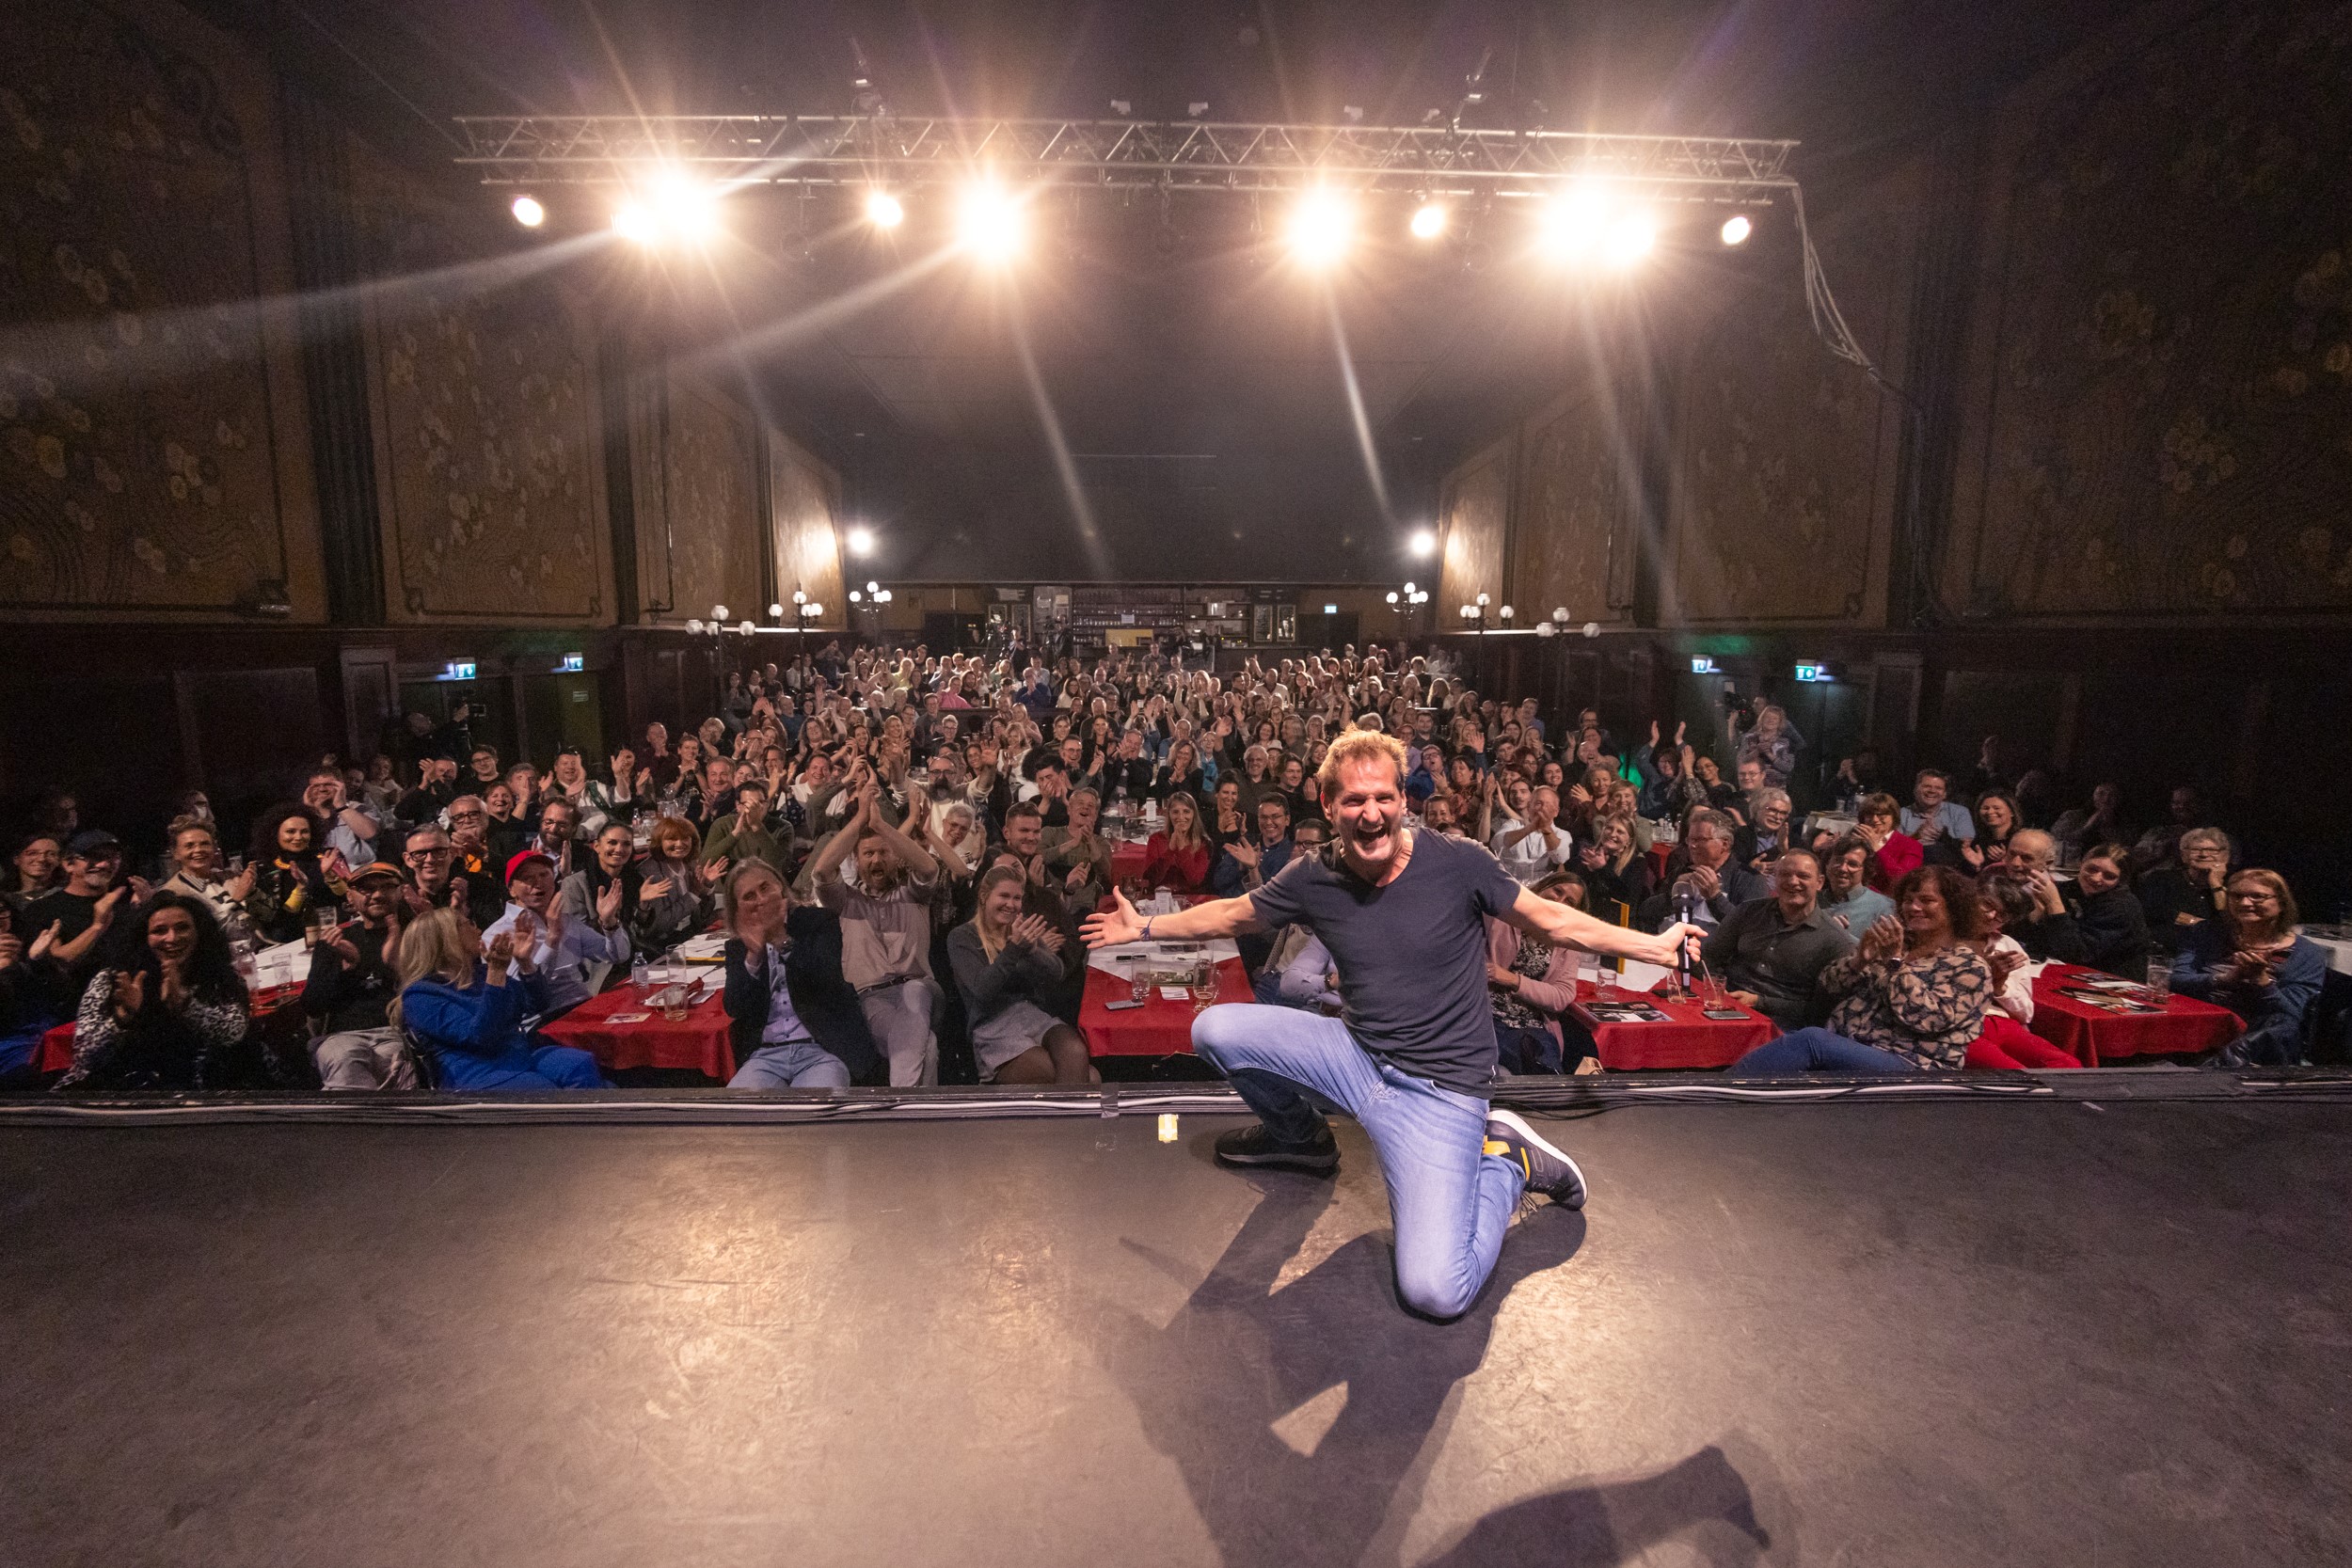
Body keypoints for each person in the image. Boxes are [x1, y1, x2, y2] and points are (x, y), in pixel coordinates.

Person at [1081, 729, 1703, 1321]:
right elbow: (1236, 914)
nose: (1371, 813)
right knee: (1215, 1030)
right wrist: (1144, 928)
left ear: (1404, 801)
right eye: (1355, 800)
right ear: (1330, 806)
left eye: (1384, 797)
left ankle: (1508, 1162)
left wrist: (1653, 946)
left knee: (1436, 1291)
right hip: (1355, 1058)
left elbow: (1553, 920)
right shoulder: (1315, 873)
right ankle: (1300, 1140)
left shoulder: (1459, 862)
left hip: (1439, 1092)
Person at [1728, 866, 1994, 1076]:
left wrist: (1894, 963)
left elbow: (1925, 1019)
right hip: (1850, 1045)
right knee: (1772, 1036)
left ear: (1954, 907)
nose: (1913, 907)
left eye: (1927, 901)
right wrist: (1859, 961)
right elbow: (1828, 985)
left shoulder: (1969, 966)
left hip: (1912, 1064)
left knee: (1811, 1041)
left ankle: (1718, 1092)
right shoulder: (1896, 946)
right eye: (1908, 900)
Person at [810, 781, 944, 1087]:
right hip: (872, 999)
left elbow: (928, 870)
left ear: (895, 856)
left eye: (884, 852)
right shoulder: (845, 901)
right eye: (868, 854)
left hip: (922, 989)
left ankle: (899, 1102)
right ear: (856, 861)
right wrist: (860, 820)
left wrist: (881, 826)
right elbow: (821, 872)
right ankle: (914, 1108)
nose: (876, 860)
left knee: (914, 992)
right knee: (929, 1046)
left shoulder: (914, 893)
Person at [389, 908, 607, 1090]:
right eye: (468, 924)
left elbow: (537, 1004)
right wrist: (496, 973)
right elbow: (481, 1037)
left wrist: (525, 963)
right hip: (477, 1073)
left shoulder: (480, 974)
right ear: (447, 938)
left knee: (580, 1064)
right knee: (543, 1089)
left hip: (518, 1057)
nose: (478, 929)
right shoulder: (421, 996)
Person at [57, 893, 254, 1091]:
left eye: (182, 928)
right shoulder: (112, 980)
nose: (172, 938)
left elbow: (233, 1034)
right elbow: (85, 1058)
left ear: (200, 932)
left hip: (200, 1091)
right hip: (118, 1093)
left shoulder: (220, 977)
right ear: (143, 937)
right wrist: (121, 1019)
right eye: (159, 931)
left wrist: (186, 1005)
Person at [719, 860, 884, 1089]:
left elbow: (827, 979)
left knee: (814, 1108)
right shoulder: (738, 946)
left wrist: (781, 939)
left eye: (765, 888)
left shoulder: (818, 921)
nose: (761, 900)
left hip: (823, 1049)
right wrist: (754, 957)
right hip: (765, 1055)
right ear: (737, 908)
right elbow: (734, 1007)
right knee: (738, 1108)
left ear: (780, 886)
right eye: (749, 896)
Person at [948, 865, 1099, 1085]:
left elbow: (1057, 972)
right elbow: (982, 991)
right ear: (984, 896)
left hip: (1033, 1017)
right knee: (1089, 1078)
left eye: (1017, 898)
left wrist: (1033, 950)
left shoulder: (1021, 931)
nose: (1011, 904)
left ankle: (1065, 1109)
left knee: (1075, 1051)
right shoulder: (962, 937)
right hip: (993, 1026)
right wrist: (1014, 949)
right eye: (1004, 896)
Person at [2172, 869, 2328, 1069]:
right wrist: (2224, 979)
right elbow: (2175, 981)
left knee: (2282, 1025)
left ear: (2281, 902)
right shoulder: (2206, 932)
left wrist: (2262, 982)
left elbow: (2293, 1015)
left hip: (2258, 1039)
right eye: (2237, 896)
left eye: (2257, 896)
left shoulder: (2306, 953)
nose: (2245, 903)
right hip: (2201, 1023)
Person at [1697, 847, 1856, 1031]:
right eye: (1785, 874)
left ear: (1819, 882)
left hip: (1782, 1027)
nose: (1793, 881)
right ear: (1774, 879)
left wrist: (1760, 1001)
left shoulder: (1836, 941)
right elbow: (1709, 957)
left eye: (1803, 876)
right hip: (1724, 1006)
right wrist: (1714, 986)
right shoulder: (1748, 912)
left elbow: (1819, 1011)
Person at [302, 862, 419, 1089]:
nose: (377, 895)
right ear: (350, 897)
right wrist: (346, 970)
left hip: (397, 1033)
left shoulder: (416, 933)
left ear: (400, 892)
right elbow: (313, 1007)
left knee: (394, 1063)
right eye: (366, 889)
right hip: (343, 1036)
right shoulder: (336, 940)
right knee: (344, 1060)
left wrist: (397, 966)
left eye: (386, 887)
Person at [484, 851, 629, 1020]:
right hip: (542, 1019)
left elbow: (618, 956)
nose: (538, 883)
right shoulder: (498, 933)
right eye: (527, 878)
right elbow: (526, 995)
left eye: (544, 875)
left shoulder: (565, 920)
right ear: (511, 890)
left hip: (583, 1005)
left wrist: (609, 922)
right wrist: (551, 941)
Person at [1483, 870, 1591, 1074]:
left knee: (1548, 1076)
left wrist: (1513, 980)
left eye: (1570, 902)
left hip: (1531, 1027)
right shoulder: (1503, 915)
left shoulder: (1567, 944)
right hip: (1485, 1017)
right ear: (1541, 887)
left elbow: (1561, 996)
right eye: (1557, 891)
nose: (1559, 901)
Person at [1635, 810, 1765, 932]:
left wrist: (1715, 897)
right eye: (1690, 840)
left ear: (1724, 844)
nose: (1692, 845)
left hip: (1711, 948)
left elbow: (1749, 929)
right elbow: (1645, 912)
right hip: (1668, 943)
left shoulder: (1748, 879)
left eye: (1700, 840)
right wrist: (1672, 896)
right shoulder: (1682, 871)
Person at [243, 803, 348, 945]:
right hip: (290, 940)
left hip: (335, 933)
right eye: (290, 831)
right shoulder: (264, 869)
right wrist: (300, 889)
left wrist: (330, 875)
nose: (298, 837)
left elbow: (348, 898)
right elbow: (276, 920)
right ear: (275, 833)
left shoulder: (328, 856)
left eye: (304, 831)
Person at [1987, 831, 2088, 963]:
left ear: (2047, 863)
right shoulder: (1992, 871)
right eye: (2011, 854)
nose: (2015, 863)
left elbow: (2067, 950)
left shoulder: (2054, 893)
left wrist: (2052, 906)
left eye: (2026, 858)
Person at [157, 816, 256, 943]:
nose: (198, 850)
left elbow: (267, 916)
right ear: (176, 853)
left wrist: (253, 893)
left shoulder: (228, 877)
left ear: (214, 848)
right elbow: (201, 935)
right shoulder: (174, 893)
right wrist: (236, 899)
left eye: (205, 844)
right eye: (189, 846)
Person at [2137, 827, 2233, 955]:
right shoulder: (2162, 879)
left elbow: (2229, 921)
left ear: (2225, 857)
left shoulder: (2234, 885)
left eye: (2211, 850)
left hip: (2211, 953)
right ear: (2184, 856)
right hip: (2165, 950)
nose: (2203, 855)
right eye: (2195, 850)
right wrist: (2203, 925)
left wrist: (2215, 884)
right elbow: (2156, 912)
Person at [2066, 844, 2152, 976]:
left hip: (2116, 978)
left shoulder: (2122, 905)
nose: (2096, 878)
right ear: (2081, 864)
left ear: (2120, 880)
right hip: (2074, 970)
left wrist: (2055, 908)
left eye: (2109, 876)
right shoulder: (2067, 889)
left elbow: (2080, 953)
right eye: (2091, 869)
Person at [1491, 785, 1574, 885]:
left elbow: (1560, 857)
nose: (1543, 808)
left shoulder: (1563, 834)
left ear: (1556, 811)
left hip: (1540, 888)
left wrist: (1546, 828)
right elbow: (1497, 843)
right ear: (1529, 806)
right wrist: (1530, 828)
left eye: (1548, 805)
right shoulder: (1513, 824)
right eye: (1538, 803)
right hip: (1509, 885)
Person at [700, 776, 787, 872]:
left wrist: (757, 825)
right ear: (738, 806)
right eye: (748, 803)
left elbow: (780, 866)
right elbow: (703, 864)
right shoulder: (723, 824)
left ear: (768, 804)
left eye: (760, 802)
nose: (754, 808)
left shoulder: (782, 827)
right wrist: (736, 834)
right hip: (731, 880)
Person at [1817, 834, 1896, 934]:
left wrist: (1840, 935)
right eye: (1838, 861)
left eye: (1852, 864)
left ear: (1865, 870)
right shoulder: (1811, 900)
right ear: (1827, 865)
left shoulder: (1883, 907)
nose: (1843, 868)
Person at [1899, 770, 1976, 867]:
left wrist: (1944, 838)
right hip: (1911, 867)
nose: (1932, 791)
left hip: (1948, 868)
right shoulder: (1901, 814)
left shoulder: (1959, 812)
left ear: (1945, 794)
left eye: (1938, 788)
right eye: (1927, 786)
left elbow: (1966, 846)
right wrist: (1916, 837)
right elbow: (1892, 849)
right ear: (1915, 790)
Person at [1142, 789, 1212, 894]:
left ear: (1194, 814)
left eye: (1186, 812)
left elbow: (1195, 881)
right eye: (1175, 812)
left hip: (1191, 899)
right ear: (1169, 814)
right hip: (1161, 898)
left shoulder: (1204, 843)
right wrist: (1170, 850)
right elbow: (1150, 879)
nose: (1181, 817)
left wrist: (1182, 849)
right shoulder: (1156, 839)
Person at [1853, 793, 1923, 894]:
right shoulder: (1855, 840)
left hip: (1886, 898)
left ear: (1894, 817)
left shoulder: (1911, 846)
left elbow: (1902, 879)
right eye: (1869, 814)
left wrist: (1878, 848)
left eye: (1881, 815)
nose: (1875, 819)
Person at [8, 832, 64, 913]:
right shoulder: (6, 900)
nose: (42, 859)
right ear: (16, 859)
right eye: (32, 853)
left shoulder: (66, 897)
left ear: (59, 860)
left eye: (51, 854)